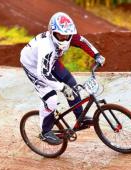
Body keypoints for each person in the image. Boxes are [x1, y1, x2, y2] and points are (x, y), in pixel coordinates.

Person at [20, 12, 105, 145]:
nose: (65, 38)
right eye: (61, 34)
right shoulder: (46, 47)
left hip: (51, 62)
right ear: (53, 32)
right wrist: (61, 87)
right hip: (33, 66)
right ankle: (45, 131)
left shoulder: (69, 36)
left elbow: (82, 41)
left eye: (67, 35)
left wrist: (97, 55)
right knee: (52, 99)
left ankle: (80, 118)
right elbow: (43, 73)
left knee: (72, 85)